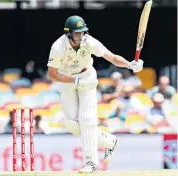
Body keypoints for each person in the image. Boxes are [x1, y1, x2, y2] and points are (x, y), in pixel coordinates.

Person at [47, 15, 144, 173]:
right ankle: (109, 141)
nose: (81, 36)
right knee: (74, 125)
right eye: (77, 33)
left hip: (87, 77)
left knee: (87, 120)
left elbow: (111, 57)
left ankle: (91, 163)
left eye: (83, 32)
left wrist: (129, 64)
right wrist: (74, 81)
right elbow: (52, 74)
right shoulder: (58, 47)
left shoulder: (89, 41)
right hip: (67, 80)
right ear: (68, 33)